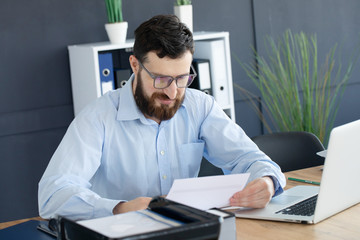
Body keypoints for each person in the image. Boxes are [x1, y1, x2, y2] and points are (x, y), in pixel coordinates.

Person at [38, 14, 286, 220]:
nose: (172, 92)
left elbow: (249, 158)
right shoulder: (97, 118)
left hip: (187, 231)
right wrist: (120, 208)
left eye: (181, 79)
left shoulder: (200, 106)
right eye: (162, 79)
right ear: (135, 65)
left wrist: (266, 182)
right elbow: (52, 196)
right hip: (121, 233)